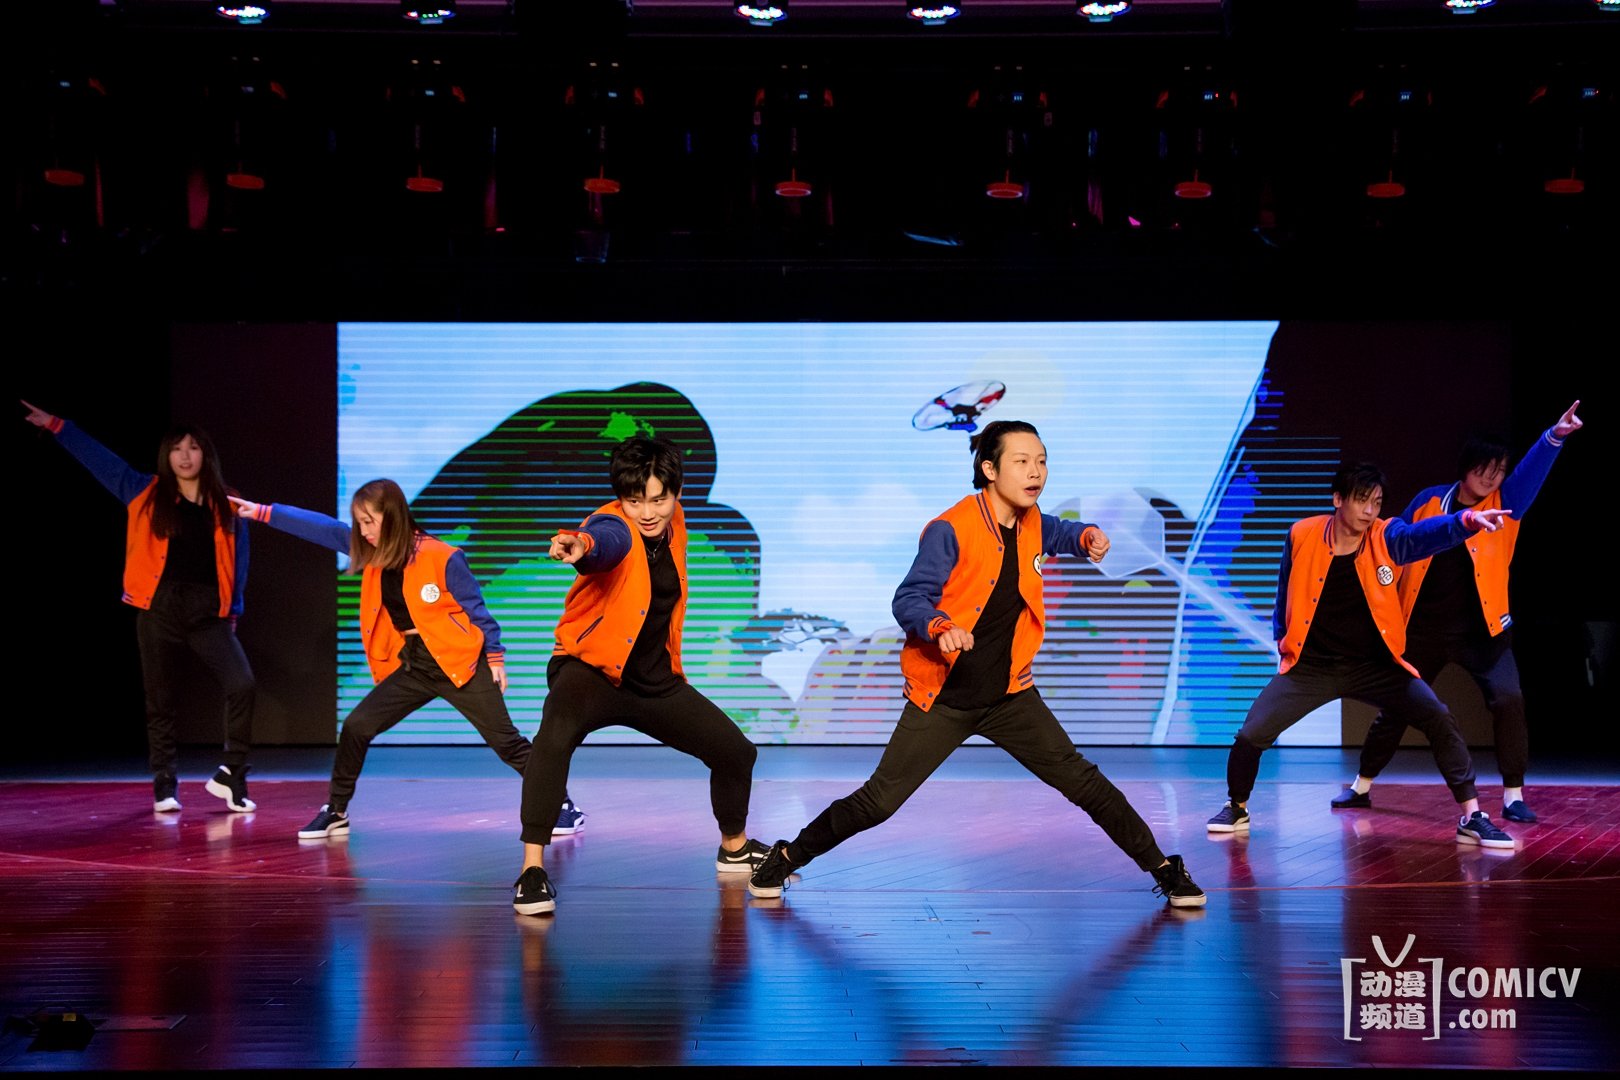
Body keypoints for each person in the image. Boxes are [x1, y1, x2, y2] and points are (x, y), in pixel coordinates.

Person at [747, 420, 1207, 908]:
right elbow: (909, 597)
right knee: (878, 802)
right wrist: (940, 626)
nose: (1036, 472)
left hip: (1010, 697)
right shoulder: (951, 529)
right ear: (989, 469)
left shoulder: (1032, 522)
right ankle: (786, 856)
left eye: (1042, 461)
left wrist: (1087, 536)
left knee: (1085, 783)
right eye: (1022, 462)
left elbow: (1059, 531)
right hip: (944, 699)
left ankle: (1164, 868)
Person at [230, 480, 581, 839]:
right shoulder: (373, 552)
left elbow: (477, 611)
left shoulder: (441, 556)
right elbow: (325, 529)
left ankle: (564, 805)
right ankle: (335, 810)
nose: (363, 530)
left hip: (460, 663)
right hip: (415, 664)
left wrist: (494, 657)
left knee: (506, 743)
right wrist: (262, 512)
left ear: (393, 516)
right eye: (359, 522)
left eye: (369, 521)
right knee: (356, 726)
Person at [513, 436, 765, 916]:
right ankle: (532, 870)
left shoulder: (677, 522)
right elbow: (602, 541)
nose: (647, 513)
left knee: (736, 751)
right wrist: (580, 546)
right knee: (553, 738)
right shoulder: (615, 526)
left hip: (652, 680)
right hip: (590, 671)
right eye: (634, 501)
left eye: (658, 499)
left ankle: (734, 848)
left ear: (676, 493)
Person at [1206, 461, 1516, 848]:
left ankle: (1472, 815)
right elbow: (1283, 594)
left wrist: (1464, 521)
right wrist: (1283, 642)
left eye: (1377, 502)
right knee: (1251, 733)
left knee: (1437, 715)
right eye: (1361, 500)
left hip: (1376, 667)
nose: (1370, 511)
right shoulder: (1302, 533)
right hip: (1312, 668)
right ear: (1338, 499)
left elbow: (1423, 535)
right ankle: (1237, 807)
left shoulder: (1386, 536)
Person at [1332, 401, 1583, 824]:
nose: (1491, 477)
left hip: (1485, 632)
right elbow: (1392, 547)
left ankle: (1513, 795)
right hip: (1423, 630)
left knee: (1509, 700)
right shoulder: (1429, 502)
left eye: (1499, 470)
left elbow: (1530, 473)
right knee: (1397, 705)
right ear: (1466, 468)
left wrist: (1554, 436)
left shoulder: (1507, 504)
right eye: (1484, 468)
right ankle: (1362, 785)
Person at [23, 399, 259, 814]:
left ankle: (232, 775)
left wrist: (233, 610)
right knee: (160, 700)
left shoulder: (228, 502)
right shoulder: (145, 492)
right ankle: (164, 784)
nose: (185, 456)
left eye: (193, 448)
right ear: (167, 456)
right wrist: (58, 426)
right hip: (159, 609)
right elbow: (102, 461)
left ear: (206, 454)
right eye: (177, 448)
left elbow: (238, 562)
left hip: (208, 613)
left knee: (242, 685)